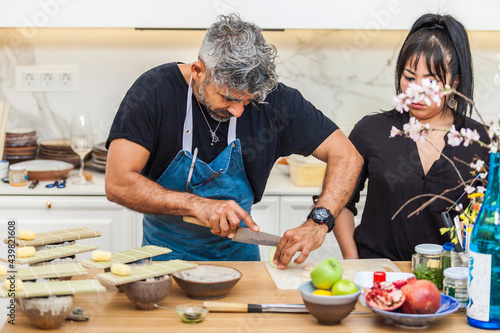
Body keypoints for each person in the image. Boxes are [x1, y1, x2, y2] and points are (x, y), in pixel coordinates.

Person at [105, 14, 363, 268]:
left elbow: (347, 156)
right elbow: (118, 183)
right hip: (163, 262)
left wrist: (319, 222)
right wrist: (196, 204)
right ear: (198, 71)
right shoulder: (153, 91)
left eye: (247, 100)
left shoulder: (276, 102)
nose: (238, 110)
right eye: (228, 97)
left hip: (241, 266)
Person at [334, 13, 490, 261]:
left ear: (455, 82)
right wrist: (354, 265)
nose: (416, 90)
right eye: (409, 77)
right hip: (378, 276)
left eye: (431, 81)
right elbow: (339, 202)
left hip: (448, 279)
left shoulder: (480, 141)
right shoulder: (370, 131)